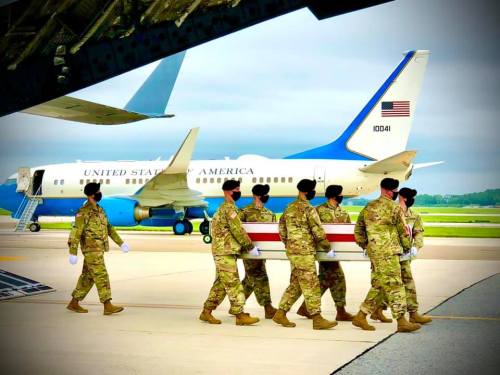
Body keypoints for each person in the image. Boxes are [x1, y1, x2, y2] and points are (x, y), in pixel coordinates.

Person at [351, 178, 421, 333]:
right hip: (389, 252)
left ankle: (361, 316)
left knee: (379, 284)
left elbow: (358, 230)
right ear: (391, 191)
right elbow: (403, 232)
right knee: (395, 284)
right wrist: (407, 248)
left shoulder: (369, 207)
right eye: (395, 191)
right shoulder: (394, 208)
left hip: (375, 252)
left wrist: (366, 246)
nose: (396, 193)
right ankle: (402, 321)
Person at [273, 179, 338, 330]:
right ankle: (317, 318)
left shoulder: (289, 208)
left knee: (296, 284)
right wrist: (327, 248)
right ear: (307, 192)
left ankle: (280, 313)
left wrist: (290, 244)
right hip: (304, 252)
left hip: (293, 251)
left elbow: (282, 230)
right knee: (311, 283)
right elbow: (318, 231)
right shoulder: (309, 209)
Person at [200, 179, 260, 326]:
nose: (239, 192)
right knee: (233, 283)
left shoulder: (226, 208)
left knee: (221, 284)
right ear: (228, 192)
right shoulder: (229, 209)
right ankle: (240, 315)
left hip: (224, 251)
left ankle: (206, 312)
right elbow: (238, 231)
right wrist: (250, 246)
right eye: (236, 190)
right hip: (224, 252)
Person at [66, 182, 129, 315]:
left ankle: (74, 303)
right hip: (91, 250)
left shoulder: (100, 210)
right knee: (101, 275)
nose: (100, 193)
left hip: (99, 249)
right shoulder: (83, 212)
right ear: (92, 194)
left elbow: (109, 228)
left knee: (87, 277)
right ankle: (107, 305)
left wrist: (121, 243)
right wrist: (73, 252)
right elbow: (76, 232)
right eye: (98, 191)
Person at [371, 187, 432, 325]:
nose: (411, 200)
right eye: (409, 197)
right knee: (384, 283)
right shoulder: (391, 212)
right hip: (389, 253)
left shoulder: (414, 216)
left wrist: (416, 246)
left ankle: (413, 313)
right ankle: (377, 309)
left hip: (404, 255)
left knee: (408, 283)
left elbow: (418, 233)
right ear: (402, 197)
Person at [296, 185, 355, 321]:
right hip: (324, 251)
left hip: (336, 253)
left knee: (326, 279)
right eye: (340, 194)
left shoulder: (343, 212)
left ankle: (307, 307)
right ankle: (340, 311)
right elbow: (314, 230)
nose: (342, 196)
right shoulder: (318, 210)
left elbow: (346, 232)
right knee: (336, 278)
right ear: (334, 196)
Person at [238, 184, 278, 319]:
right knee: (260, 277)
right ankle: (268, 307)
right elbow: (239, 231)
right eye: (264, 194)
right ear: (256, 195)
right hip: (249, 252)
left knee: (250, 280)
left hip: (262, 253)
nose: (266, 196)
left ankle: (236, 305)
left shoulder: (270, 214)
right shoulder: (244, 212)